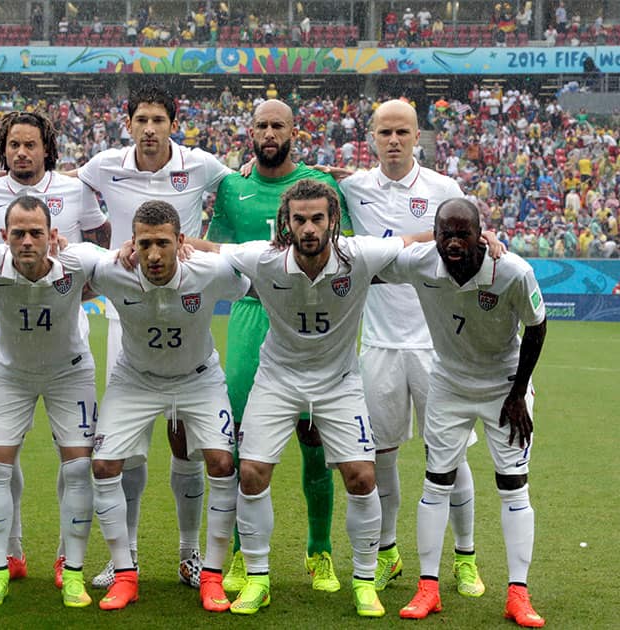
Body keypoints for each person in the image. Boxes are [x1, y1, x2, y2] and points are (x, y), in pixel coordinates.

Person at [194, 179, 430, 617]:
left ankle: (363, 581)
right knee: (252, 473)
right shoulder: (264, 259)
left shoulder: (359, 255)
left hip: (339, 382)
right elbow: (208, 250)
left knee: (362, 476)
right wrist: (152, 243)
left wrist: (478, 235)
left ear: (332, 221)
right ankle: (258, 579)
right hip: (278, 379)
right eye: (299, 219)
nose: (308, 228)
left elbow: (413, 241)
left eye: (317, 219)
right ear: (286, 222)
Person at [76, 86, 232, 589]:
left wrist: (201, 249)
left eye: (158, 119)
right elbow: (53, 188)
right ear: (129, 123)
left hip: (186, 312)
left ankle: (190, 554)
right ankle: (128, 555)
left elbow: (254, 184)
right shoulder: (103, 166)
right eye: (140, 119)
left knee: (185, 446)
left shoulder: (202, 165)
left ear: (173, 123)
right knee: (129, 451)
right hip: (129, 314)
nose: (149, 128)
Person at [0, 110, 110, 588]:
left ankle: (69, 560)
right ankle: (11, 556)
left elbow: (102, 245)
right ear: (3, 150)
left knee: (77, 463)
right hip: (10, 353)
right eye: (14, 145)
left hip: (68, 347)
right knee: (2, 459)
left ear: (48, 150)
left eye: (31, 145)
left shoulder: (75, 188)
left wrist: (65, 291)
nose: (22, 152)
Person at [337, 99, 483, 596]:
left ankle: (465, 558)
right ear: (371, 137)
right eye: (384, 132)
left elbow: (468, 239)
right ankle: (388, 553)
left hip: (435, 347)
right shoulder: (353, 187)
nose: (393, 140)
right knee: (381, 457)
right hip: (378, 345)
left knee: (451, 458)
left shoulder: (444, 189)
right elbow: (303, 177)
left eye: (402, 132)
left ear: (417, 136)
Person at [206, 99, 351, 595]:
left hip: (310, 319)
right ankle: (247, 559)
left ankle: (320, 551)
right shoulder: (231, 186)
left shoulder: (321, 186)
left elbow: (344, 254)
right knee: (246, 445)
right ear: (250, 132)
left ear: (295, 131)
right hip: (251, 317)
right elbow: (217, 256)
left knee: (316, 443)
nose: (269, 133)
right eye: (261, 125)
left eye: (278, 125)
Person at [380, 199, 547, 628]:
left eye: (463, 233)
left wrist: (516, 393)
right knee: (437, 481)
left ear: (481, 234)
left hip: (503, 385)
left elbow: (537, 325)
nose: (453, 243)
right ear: (434, 234)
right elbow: (370, 260)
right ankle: (428, 588)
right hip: (450, 383)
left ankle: (518, 593)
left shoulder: (512, 271)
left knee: (512, 485)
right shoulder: (421, 262)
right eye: (445, 234)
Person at [0, 195, 103, 608]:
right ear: (3, 236)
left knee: (80, 468)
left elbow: (124, 256)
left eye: (36, 233)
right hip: (9, 374)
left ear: (52, 235)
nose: (27, 241)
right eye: (18, 233)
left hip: (69, 372)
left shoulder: (78, 261)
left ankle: (74, 573)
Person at [89, 200, 248, 611]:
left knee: (221, 463)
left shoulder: (208, 272)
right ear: (133, 243)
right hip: (135, 380)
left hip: (198, 378)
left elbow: (250, 277)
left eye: (163, 243)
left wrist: (210, 249)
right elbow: (74, 264)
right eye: (144, 244)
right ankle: (125, 571)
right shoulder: (112, 270)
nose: (154, 255)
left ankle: (206, 569)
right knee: (105, 464)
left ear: (180, 242)